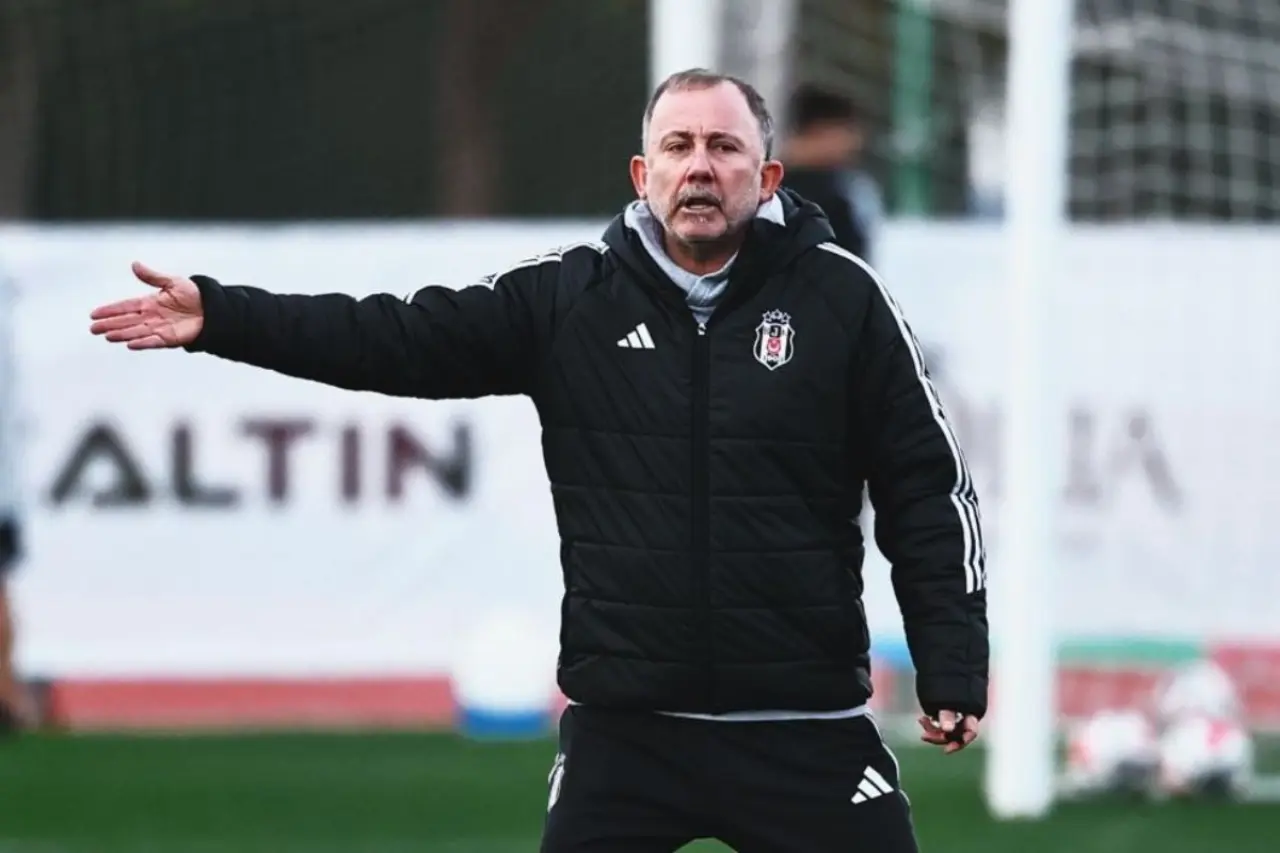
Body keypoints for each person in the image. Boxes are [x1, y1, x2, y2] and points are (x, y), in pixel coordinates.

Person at [89, 68, 987, 852]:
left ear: (769, 176)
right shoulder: (569, 296)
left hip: (806, 724)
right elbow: (392, 336)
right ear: (642, 173)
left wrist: (950, 661)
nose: (700, 167)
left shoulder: (844, 299)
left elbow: (927, 487)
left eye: (724, 147)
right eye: (678, 146)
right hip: (627, 734)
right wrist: (225, 316)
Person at [780, 83, 883, 261]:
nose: (855, 142)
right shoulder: (788, 195)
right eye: (847, 131)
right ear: (818, 132)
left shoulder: (845, 185)